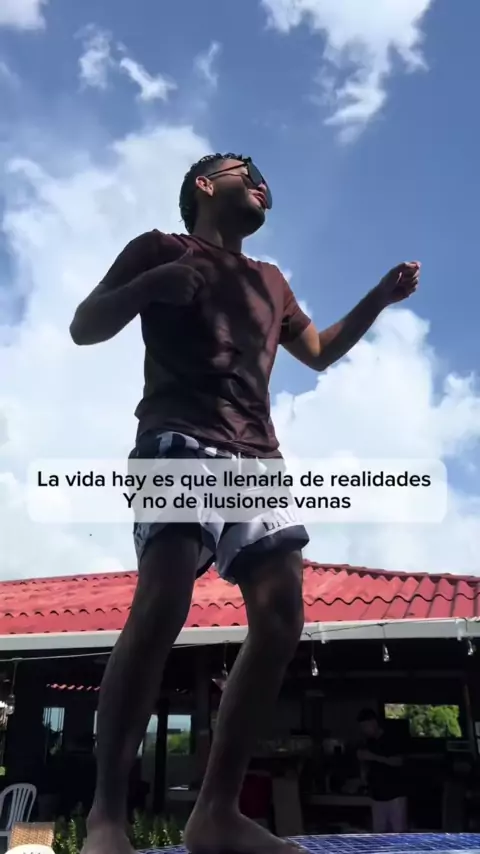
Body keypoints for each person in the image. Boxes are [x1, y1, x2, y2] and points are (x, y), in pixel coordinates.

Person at [69, 152, 420, 854]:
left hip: (257, 457)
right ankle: (106, 816)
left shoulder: (271, 281)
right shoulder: (160, 247)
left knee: (283, 617)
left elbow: (317, 351)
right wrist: (151, 286)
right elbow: (85, 325)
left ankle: (215, 813)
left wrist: (378, 298)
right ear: (205, 185)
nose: (261, 181)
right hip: (178, 438)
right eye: (245, 170)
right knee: (163, 602)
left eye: (264, 177)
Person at [357, 708, 408, 833]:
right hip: (377, 796)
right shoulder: (369, 742)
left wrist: (373, 757)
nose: (363, 730)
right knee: (379, 835)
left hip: (394, 795)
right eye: (361, 727)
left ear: (374, 722)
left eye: (365, 726)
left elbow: (398, 761)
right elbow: (369, 765)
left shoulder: (391, 738)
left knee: (398, 833)